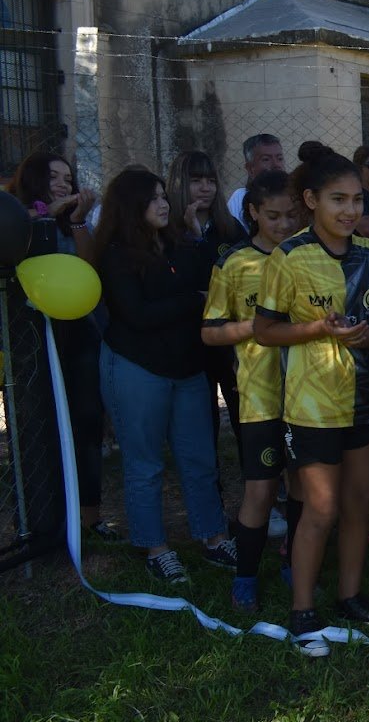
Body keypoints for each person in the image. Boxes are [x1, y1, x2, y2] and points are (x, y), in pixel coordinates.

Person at [254, 146, 369, 656]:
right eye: (338, 199)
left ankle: (350, 596)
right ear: (311, 200)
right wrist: (317, 329)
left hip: (365, 399)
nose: (350, 210)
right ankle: (302, 611)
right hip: (312, 405)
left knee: (359, 503)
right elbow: (265, 330)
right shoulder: (288, 257)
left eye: (357, 200)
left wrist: (366, 337)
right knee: (320, 508)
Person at [94, 167, 236, 583]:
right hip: (137, 368)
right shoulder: (116, 255)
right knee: (145, 464)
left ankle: (214, 537)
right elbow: (137, 314)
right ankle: (155, 547)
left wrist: (195, 234)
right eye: (154, 198)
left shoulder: (177, 243)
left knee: (200, 459)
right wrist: (192, 301)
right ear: (131, 206)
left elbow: (212, 278)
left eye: (163, 196)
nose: (163, 203)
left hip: (187, 370)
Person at [202, 170, 301, 611]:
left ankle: (296, 562)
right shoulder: (234, 263)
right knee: (260, 489)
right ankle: (245, 576)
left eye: (291, 215)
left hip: (310, 395)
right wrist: (258, 327)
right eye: (273, 216)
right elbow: (210, 332)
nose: (283, 224)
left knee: (303, 486)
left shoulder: (308, 255)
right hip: (260, 396)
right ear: (253, 213)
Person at [9, 152, 107, 537]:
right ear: (34, 179)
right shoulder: (17, 215)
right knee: (39, 424)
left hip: (80, 332)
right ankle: (41, 520)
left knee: (87, 421)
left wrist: (78, 219)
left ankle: (90, 517)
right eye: (54, 177)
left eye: (68, 177)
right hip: (31, 338)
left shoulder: (73, 221)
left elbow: (89, 267)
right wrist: (45, 212)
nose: (64, 184)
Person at [165, 151, 247, 467]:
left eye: (211, 180)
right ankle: (211, 488)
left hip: (229, 337)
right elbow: (185, 285)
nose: (205, 188)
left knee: (242, 415)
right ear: (178, 184)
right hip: (187, 338)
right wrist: (194, 241)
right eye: (196, 180)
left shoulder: (230, 229)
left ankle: (259, 484)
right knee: (201, 422)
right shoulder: (166, 230)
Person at [225, 133, 285, 220]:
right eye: (266, 159)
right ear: (250, 168)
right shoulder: (239, 198)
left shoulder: (294, 193)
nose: (276, 165)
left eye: (280, 158)